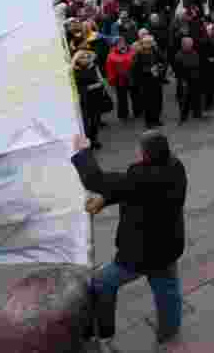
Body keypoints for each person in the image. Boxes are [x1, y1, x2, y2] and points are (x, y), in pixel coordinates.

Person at [72, 130, 187, 347]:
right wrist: (104, 200)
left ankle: (104, 330)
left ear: (145, 155)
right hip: (167, 246)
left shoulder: (141, 177)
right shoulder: (175, 167)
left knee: (102, 283)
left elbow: (96, 180)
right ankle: (169, 332)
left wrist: (82, 152)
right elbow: (133, 192)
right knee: (168, 292)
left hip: (140, 253)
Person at [73, 50, 107, 149]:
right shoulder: (75, 70)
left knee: (95, 120)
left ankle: (94, 139)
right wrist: (89, 87)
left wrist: (102, 85)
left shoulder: (93, 67)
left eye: (87, 57)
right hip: (83, 98)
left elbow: (100, 80)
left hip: (95, 96)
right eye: (82, 57)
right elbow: (76, 86)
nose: (85, 59)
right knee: (85, 121)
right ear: (77, 59)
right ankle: (87, 140)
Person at [132, 36, 166, 128]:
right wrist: (148, 70)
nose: (148, 44)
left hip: (156, 80)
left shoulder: (155, 51)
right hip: (145, 81)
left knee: (158, 100)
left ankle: (156, 119)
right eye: (146, 42)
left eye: (150, 42)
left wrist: (159, 67)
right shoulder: (139, 53)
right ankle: (149, 121)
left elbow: (163, 60)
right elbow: (135, 68)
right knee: (147, 102)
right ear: (143, 44)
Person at [105, 38, 136, 121]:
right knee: (122, 98)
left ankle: (137, 111)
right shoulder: (111, 55)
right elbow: (109, 68)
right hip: (120, 79)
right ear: (116, 45)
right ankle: (123, 115)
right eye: (119, 43)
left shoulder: (132, 51)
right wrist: (111, 80)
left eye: (123, 43)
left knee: (135, 95)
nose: (121, 45)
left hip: (132, 77)